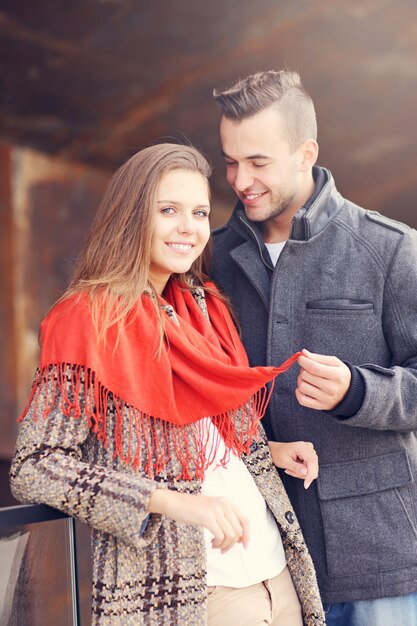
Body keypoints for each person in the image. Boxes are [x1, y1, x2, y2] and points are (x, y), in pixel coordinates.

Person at [10, 143, 325, 626]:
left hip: (275, 571)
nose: (189, 228)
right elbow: (35, 466)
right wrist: (168, 500)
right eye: (168, 210)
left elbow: (203, 430)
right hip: (187, 591)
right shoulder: (85, 320)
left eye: (199, 212)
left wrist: (269, 451)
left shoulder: (204, 307)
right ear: (131, 217)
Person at [210, 70, 417, 626]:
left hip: (377, 559)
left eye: (258, 162)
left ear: (307, 153)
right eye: (230, 161)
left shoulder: (390, 250)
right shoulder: (210, 259)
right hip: (258, 562)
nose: (240, 179)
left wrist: (359, 391)